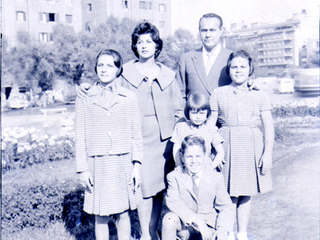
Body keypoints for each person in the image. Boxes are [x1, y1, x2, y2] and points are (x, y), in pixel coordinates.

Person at [78, 22, 183, 240]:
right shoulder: (124, 71)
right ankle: (145, 234)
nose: (144, 46)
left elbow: (179, 108)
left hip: (163, 142)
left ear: (157, 45)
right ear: (134, 46)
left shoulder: (168, 75)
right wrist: (86, 87)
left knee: (158, 189)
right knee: (142, 189)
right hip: (136, 140)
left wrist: (176, 133)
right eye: (139, 41)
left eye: (149, 41)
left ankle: (153, 232)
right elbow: (104, 86)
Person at [75, 49, 143, 240]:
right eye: (100, 65)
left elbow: (136, 134)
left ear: (118, 69)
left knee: (123, 214)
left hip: (123, 162)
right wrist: (83, 169)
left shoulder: (128, 97)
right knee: (101, 215)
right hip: (98, 164)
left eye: (109, 65)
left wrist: (137, 165)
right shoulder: (85, 97)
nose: (104, 69)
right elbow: (79, 135)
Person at [209, 50, 274, 240]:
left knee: (246, 192)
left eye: (243, 67)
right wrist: (212, 151)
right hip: (226, 146)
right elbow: (211, 125)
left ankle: (242, 234)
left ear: (250, 69)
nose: (238, 70)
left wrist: (267, 153)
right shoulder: (218, 93)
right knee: (228, 192)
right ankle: (227, 232)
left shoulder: (260, 95)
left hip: (251, 146)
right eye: (234, 67)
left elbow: (268, 126)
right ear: (229, 70)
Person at [162, 135, 233, 240]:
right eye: (189, 157)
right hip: (185, 227)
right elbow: (174, 201)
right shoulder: (174, 177)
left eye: (198, 156)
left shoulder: (215, 177)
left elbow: (226, 207)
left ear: (205, 156)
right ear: (181, 157)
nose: (194, 161)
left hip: (209, 229)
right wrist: (197, 221)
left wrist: (221, 229)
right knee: (169, 219)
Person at [176, 13, 232, 101]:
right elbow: (179, 95)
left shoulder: (232, 57)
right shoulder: (187, 59)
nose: (208, 35)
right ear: (199, 31)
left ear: (221, 31)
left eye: (212, 30)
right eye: (204, 30)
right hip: (195, 113)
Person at [171, 93, 225, 171]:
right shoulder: (181, 127)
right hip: (186, 169)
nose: (198, 117)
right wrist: (178, 165)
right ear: (188, 112)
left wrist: (211, 167)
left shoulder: (211, 129)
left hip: (205, 169)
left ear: (207, 113)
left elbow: (220, 152)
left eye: (202, 113)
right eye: (194, 113)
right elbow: (176, 149)